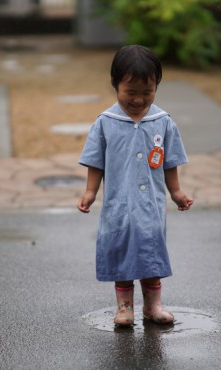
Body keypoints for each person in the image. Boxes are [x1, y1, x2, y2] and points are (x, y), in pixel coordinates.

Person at [77, 45, 194, 327]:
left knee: (151, 251)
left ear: (157, 87)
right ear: (116, 85)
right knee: (121, 251)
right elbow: (96, 162)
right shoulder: (106, 122)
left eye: (147, 92)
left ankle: (153, 305)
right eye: (130, 92)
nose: (138, 100)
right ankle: (125, 307)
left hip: (151, 206)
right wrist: (91, 192)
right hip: (119, 205)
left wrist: (176, 192)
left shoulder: (162, 122)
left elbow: (170, 162)